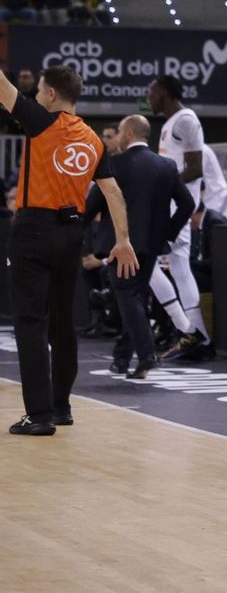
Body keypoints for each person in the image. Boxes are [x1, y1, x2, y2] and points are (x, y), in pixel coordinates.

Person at [4, 66, 137, 435]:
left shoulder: (40, 122)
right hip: (71, 234)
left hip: (33, 231)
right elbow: (113, 192)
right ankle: (61, 407)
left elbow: (2, 87)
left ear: (49, 94)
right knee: (63, 324)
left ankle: (39, 415)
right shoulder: (94, 139)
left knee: (31, 322)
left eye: (38, 90)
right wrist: (122, 240)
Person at [92, 115, 195, 379]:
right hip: (151, 246)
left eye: (117, 133)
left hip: (121, 246)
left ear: (127, 135)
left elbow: (92, 204)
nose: (115, 137)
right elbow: (187, 205)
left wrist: (73, 227)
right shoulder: (166, 166)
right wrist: (168, 236)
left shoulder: (114, 164)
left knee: (129, 300)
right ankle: (122, 358)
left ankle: (147, 355)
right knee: (134, 301)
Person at [148, 75, 213, 361]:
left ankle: (190, 332)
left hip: (179, 206)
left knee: (146, 263)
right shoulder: (170, 123)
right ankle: (196, 336)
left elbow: (196, 168)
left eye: (150, 92)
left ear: (162, 92)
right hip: (172, 203)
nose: (148, 98)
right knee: (178, 268)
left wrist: (163, 183)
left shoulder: (186, 119)